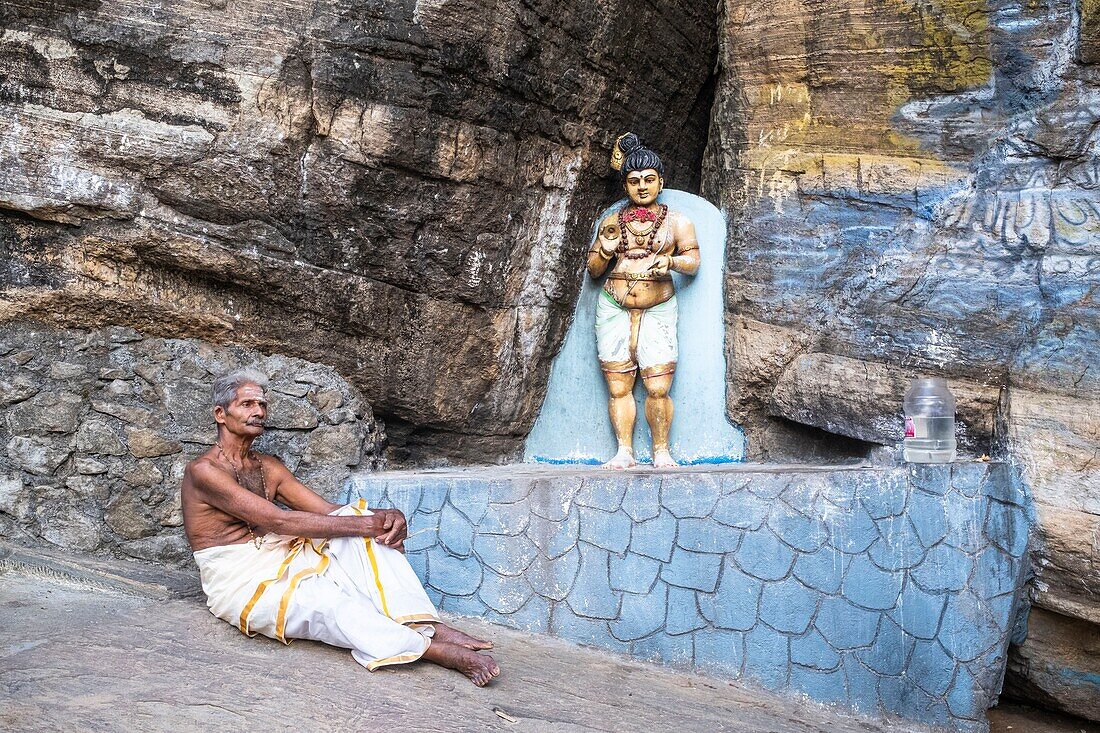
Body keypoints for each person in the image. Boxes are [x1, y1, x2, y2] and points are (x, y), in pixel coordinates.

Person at [181, 368, 500, 686]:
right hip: (239, 580)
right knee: (330, 604)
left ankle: (426, 625)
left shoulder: (268, 466)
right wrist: (367, 523)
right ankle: (432, 650)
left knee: (367, 533)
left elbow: (329, 511)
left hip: (282, 557)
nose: (259, 412)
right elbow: (277, 520)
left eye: (262, 405)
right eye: (248, 404)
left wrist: (388, 517)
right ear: (221, 414)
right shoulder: (204, 472)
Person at [586, 133, 701, 469]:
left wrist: (672, 262)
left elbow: (693, 263)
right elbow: (594, 270)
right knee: (619, 385)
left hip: (658, 305)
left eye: (649, 180)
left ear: (660, 182)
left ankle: (661, 451)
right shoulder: (612, 222)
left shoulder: (678, 221)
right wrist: (605, 251)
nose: (642, 187)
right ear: (625, 186)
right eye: (634, 181)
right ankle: (624, 451)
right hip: (614, 306)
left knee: (658, 386)